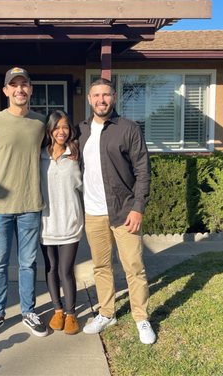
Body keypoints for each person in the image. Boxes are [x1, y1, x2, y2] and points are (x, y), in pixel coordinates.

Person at [77, 78, 156, 344]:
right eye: (96, 95)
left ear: (114, 98)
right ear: (89, 99)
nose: (101, 100)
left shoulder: (128, 129)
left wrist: (138, 208)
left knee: (134, 266)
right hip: (93, 212)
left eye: (106, 95)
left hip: (124, 211)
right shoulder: (81, 130)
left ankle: (141, 317)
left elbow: (143, 171)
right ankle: (107, 312)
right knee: (101, 266)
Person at [0, 67, 48, 341]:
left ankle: (28, 311)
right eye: (13, 85)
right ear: (5, 90)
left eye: (24, 84)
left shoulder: (41, 123)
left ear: (30, 89)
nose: (19, 89)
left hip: (31, 206)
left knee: (28, 263)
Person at [39, 110, 83, 335]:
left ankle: (71, 313)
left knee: (66, 270)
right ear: (49, 130)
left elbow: (86, 187)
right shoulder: (39, 156)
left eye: (65, 127)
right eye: (57, 127)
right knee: (51, 268)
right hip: (46, 224)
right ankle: (57, 310)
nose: (61, 132)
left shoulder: (75, 155)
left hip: (70, 222)